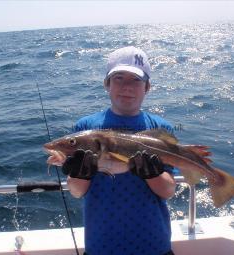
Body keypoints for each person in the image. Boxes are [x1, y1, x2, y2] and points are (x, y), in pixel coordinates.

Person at [53, 46, 176, 255]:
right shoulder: (85, 128)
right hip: (102, 245)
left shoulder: (161, 130)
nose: (127, 86)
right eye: (119, 78)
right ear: (106, 84)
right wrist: (80, 173)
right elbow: (76, 191)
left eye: (136, 80)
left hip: (154, 244)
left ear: (147, 87)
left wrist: (152, 174)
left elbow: (168, 191)